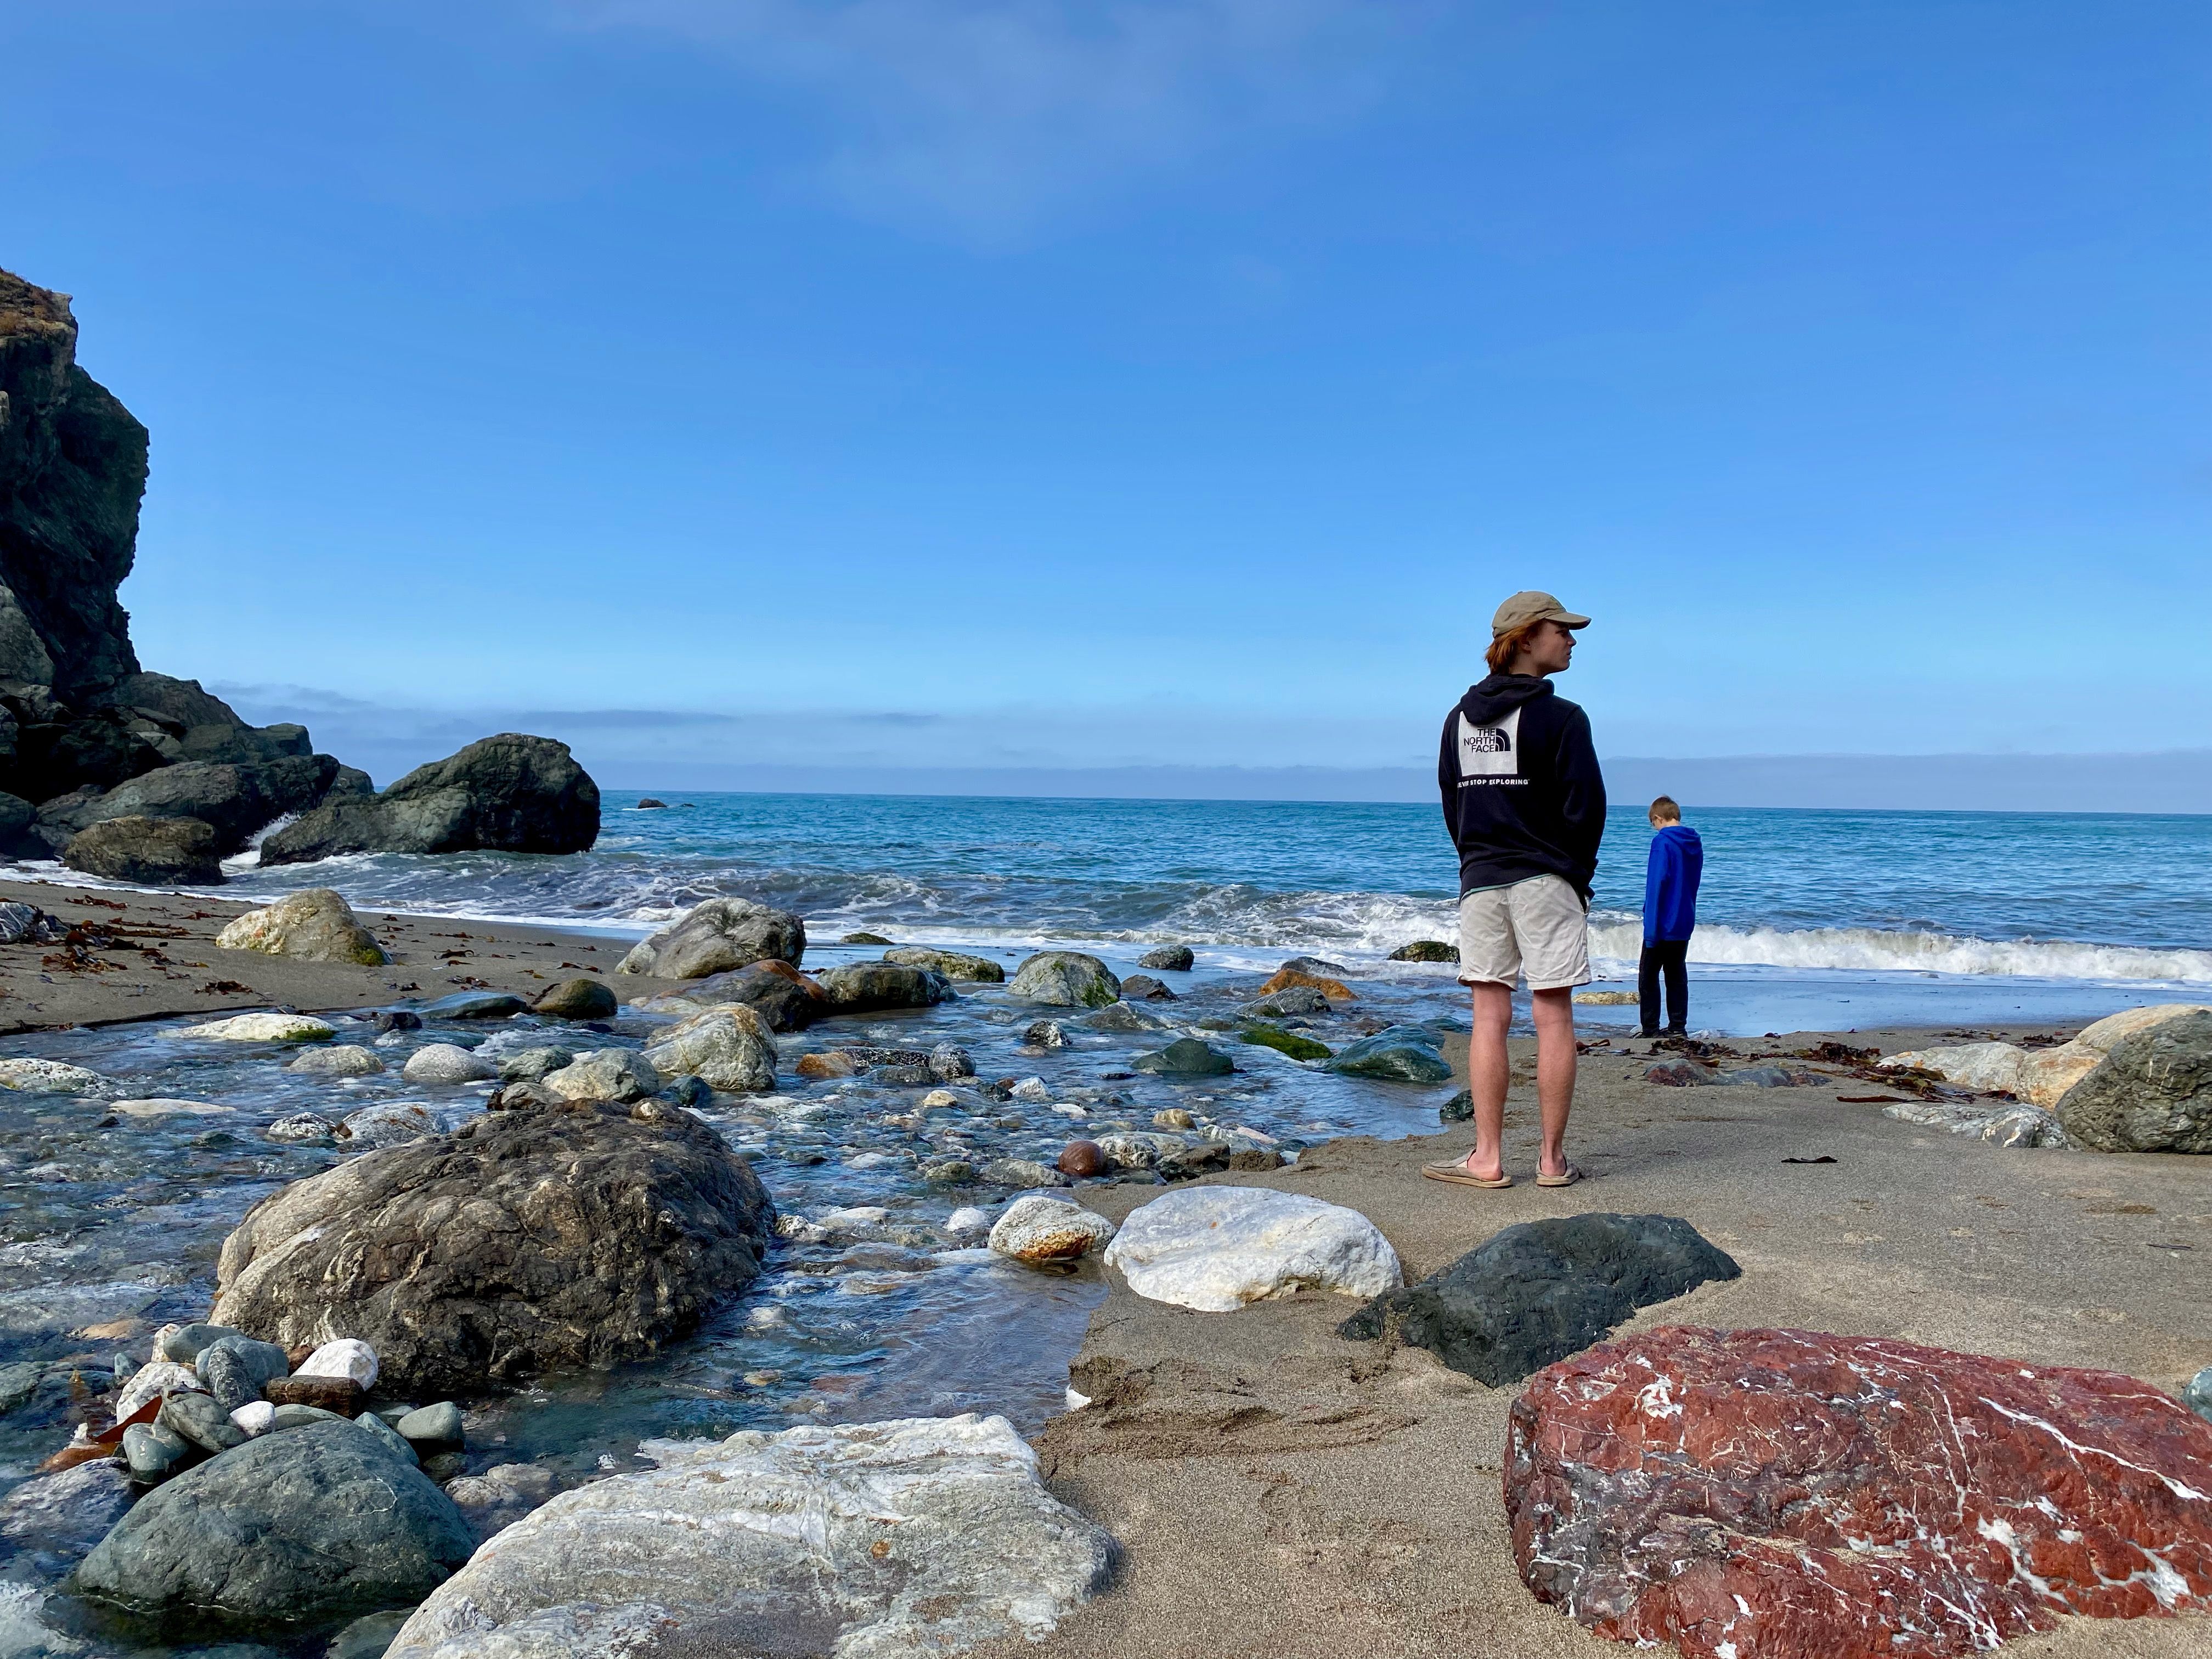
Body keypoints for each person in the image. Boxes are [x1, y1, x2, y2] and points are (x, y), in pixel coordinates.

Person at [1425, 590, 1606, 1190]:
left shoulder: (1456, 719)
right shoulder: (1564, 718)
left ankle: (1487, 1157)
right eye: (1562, 630)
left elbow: (1454, 804)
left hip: (1481, 879)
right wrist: (1576, 874)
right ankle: (1551, 1162)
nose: (1572, 640)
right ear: (1527, 638)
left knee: (1488, 1015)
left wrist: (1474, 862)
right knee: (1552, 1014)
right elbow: (1587, 809)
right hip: (1546, 878)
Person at [1639, 795, 1702, 1037]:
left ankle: (1651, 1028)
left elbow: (1656, 884)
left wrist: (1651, 928)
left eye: (1653, 823)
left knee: (1648, 975)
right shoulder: (1694, 842)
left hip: (1662, 920)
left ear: (1657, 818)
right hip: (1684, 917)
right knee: (1676, 975)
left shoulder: (1662, 842)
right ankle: (1678, 1027)